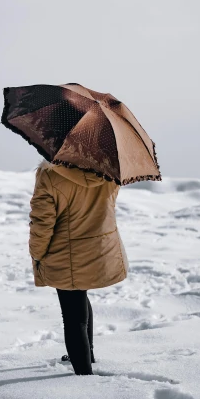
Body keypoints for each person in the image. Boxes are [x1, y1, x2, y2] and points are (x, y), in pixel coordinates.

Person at [28, 157, 128, 375]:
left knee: (72, 315)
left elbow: (42, 222)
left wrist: (37, 254)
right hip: (99, 247)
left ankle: (84, 377)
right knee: (79, 297)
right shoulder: (108, 170)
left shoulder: (50, 175)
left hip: (65, 254)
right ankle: (86, 355)